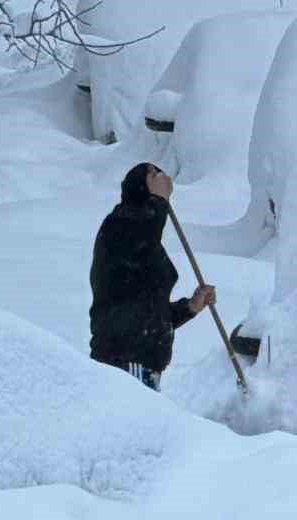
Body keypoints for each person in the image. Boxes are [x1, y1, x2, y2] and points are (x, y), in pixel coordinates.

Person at [89, 163, 215, 391]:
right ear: (138, 187)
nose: (161, 177)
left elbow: (148, 310)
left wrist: (189, 308)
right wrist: (159, 200)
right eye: (153, 174)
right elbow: (143, 229)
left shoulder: (145, 241)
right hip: (123, 361)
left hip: (140, 364)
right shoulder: (119, 226)